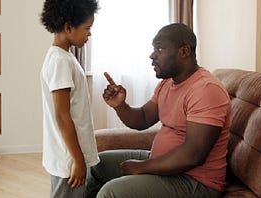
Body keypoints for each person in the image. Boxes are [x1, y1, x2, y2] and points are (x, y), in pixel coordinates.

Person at [86, 23, 232, 198]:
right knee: (95, 165)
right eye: (154, 49)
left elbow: (193, 155)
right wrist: (120, 105)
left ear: (184, 52)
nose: (152, 55)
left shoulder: (205, 89)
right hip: (161, 164)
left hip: (195, 181)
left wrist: (141, 167)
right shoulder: (167, 83)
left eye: (160, 49)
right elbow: (143, 119)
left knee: (111, 193)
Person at [40, 0, 100, 197]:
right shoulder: (60, 61)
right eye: (87, 28)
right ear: (68, 27)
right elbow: (62, 116)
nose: (90, 34)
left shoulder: (65, 57)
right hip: (68, 158)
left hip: (69, 153)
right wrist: (77, 159)